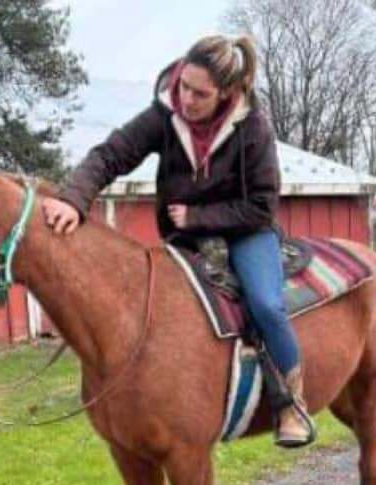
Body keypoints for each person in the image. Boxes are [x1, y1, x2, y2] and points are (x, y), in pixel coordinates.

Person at [42, 35, 315, 447]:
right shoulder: (164, 114)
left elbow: (262, 206)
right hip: (184, 239)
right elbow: (111, 154)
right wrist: (73, 200)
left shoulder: (253, 128)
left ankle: (291, 405)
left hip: (247, 230)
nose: (187, 99)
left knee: (265, 304)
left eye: (200, 94)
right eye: (184, 86)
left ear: (226, 93)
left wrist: (198, 216)